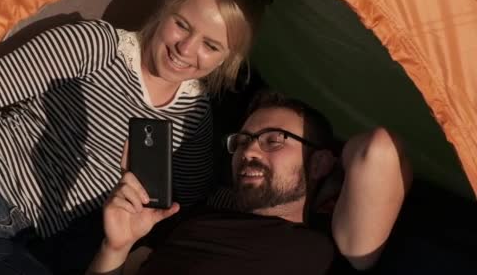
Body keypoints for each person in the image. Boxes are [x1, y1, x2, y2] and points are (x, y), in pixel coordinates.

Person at [0, 0, 272, 275]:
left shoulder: (193, 115)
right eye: (182, 25)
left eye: (210, 46)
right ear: (165, 11)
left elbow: (193, 192)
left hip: (30, 232)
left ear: (228, 59)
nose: (186, 49)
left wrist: (261, 202)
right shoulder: (99, 45)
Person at [87, 91, 413, 274]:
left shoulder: (330, 246)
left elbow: (381, 148)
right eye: (242, 141)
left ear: (320, 161)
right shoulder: (186, 219)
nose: (249, 151)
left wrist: (325, 182)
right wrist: (115, 246)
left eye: (274, 140)